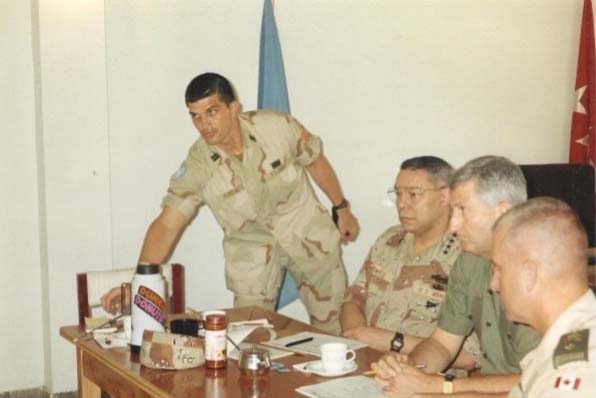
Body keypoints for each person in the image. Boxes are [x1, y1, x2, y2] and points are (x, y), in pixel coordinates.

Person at [101, 72, 359, 334]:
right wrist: (139, 284)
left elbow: (314, 160)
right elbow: (167, 225)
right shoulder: (198, 164)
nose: (204, 125)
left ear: (233, 107)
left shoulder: (275, 127)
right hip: (253, 259)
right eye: (195, 115)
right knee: (250, 341)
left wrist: (341, 207)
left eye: (211, 111)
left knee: (335, 335)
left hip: (309, 238)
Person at [372, 155, 541, 397]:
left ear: (502, 212)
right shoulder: (469, 261)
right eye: (453, 212)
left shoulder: (539, 272)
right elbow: (443, 343)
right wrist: (407, 370)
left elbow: (542, 380)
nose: (453, 225)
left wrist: (441, 387)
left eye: (463, 211)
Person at [339, 156, 480, 371]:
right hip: (366, 364)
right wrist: (358, 338)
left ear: (445, 196)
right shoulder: (390, 240)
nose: (401, 204)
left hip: (426, 376)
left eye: (413, 195)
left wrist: (388, 341)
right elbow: (353, 300)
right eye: (398, 194)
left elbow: (471, 356)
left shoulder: (467, 257)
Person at [491, 197, 596, 398]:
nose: (493, 284)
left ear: (529, 274)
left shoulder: (573, 372)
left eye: (498, 269)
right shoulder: (568, 341)